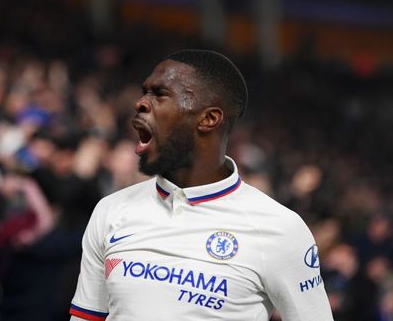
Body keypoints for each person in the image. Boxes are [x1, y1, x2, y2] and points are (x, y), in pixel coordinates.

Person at [69, 49, 333, 321]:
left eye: (160, 94)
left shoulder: (279, 228)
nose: (141, 103)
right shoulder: (111, 210)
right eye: (144, 92)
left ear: (209, 119)